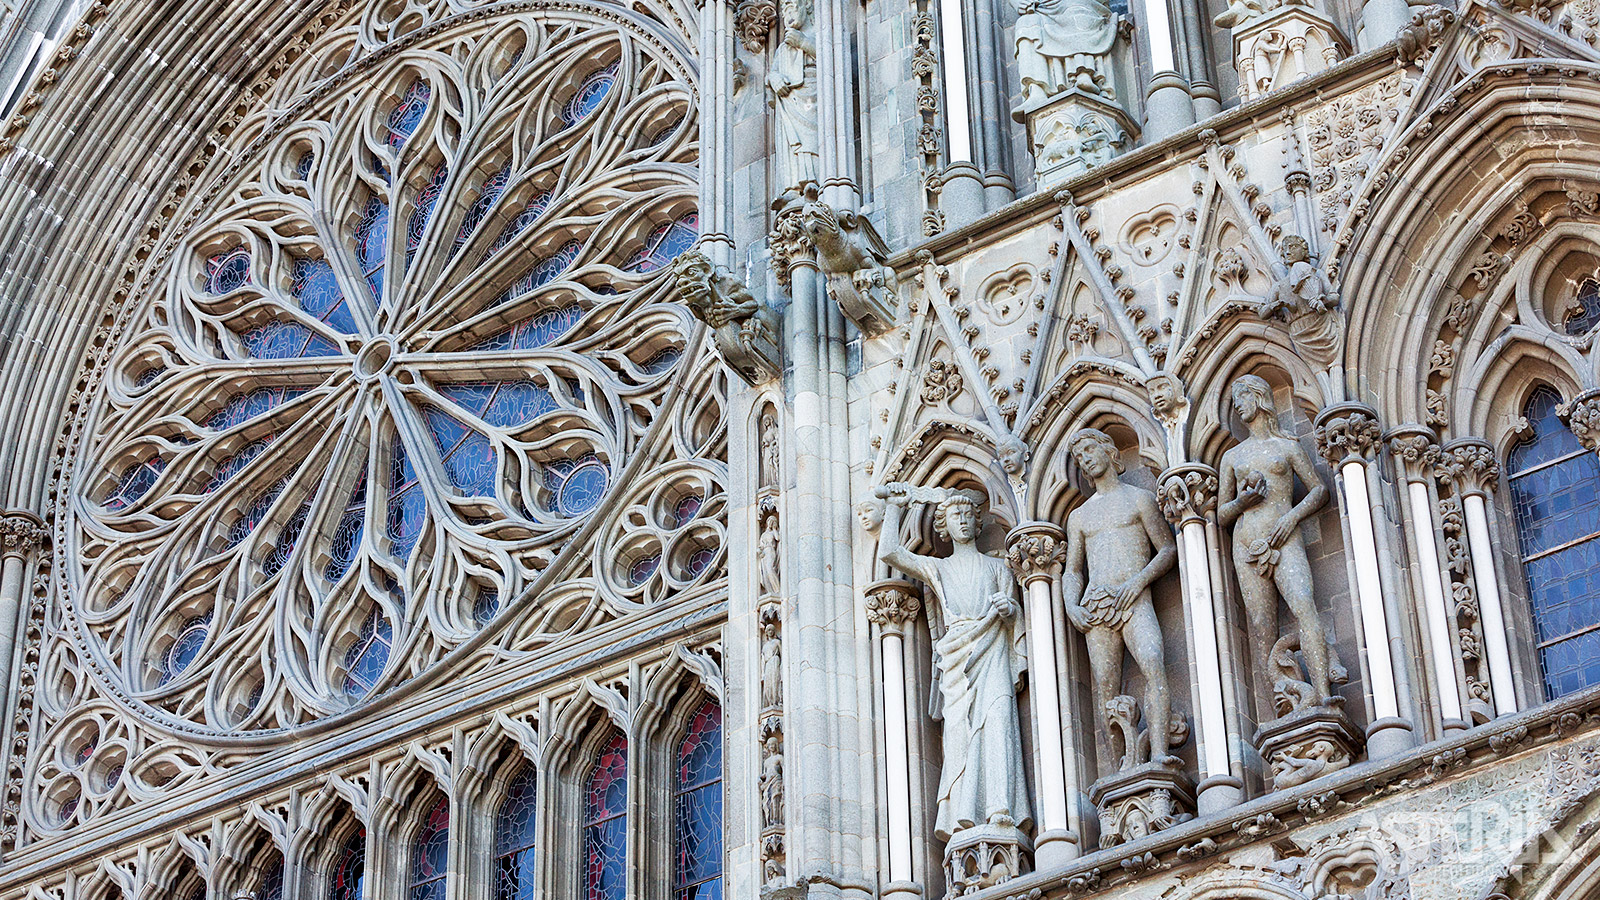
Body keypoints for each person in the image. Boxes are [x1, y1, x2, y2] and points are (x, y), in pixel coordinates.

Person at [877, 485, 1031, 840]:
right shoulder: (938, 569)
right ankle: (964, 812)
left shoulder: (998, 567)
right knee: (959, 737)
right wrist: (895, 509)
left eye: (967, 516)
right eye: (954, 517)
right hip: (957, 657)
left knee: (998, 726)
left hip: (992, 652)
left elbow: (1013, 614)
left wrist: (1010, 611)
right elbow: (889, 551)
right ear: (944, 526)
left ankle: (1000, 808)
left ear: (978, 524)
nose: (962, 522)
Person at [1059, 428, 1179, 769]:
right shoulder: (1079, 516)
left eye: (1090, 450)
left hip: (1133, 599)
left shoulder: (1138, 499)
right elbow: (1073, 570)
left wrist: (1137, 583)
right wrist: (1072, 606)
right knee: (1106, 686)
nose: (1086, 459)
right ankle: (1119, 768)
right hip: (1097, 606)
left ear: (1108, 451)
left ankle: (1157, 753)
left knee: (1154, 661)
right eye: (1080, 457)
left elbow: (1167, 549)